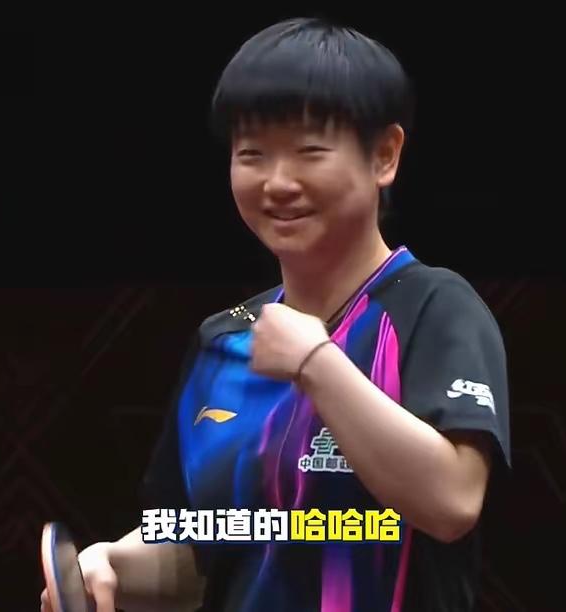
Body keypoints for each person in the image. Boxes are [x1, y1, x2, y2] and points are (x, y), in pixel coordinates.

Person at [42, 16, 511, 612]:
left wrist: (317, 363)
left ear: (384, 156)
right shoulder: (224, 339)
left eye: (309, 151)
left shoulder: (436, 308)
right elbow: (200, 552)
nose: (278, 182)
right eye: (252, 154)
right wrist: (112, 563)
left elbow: (452, 503)